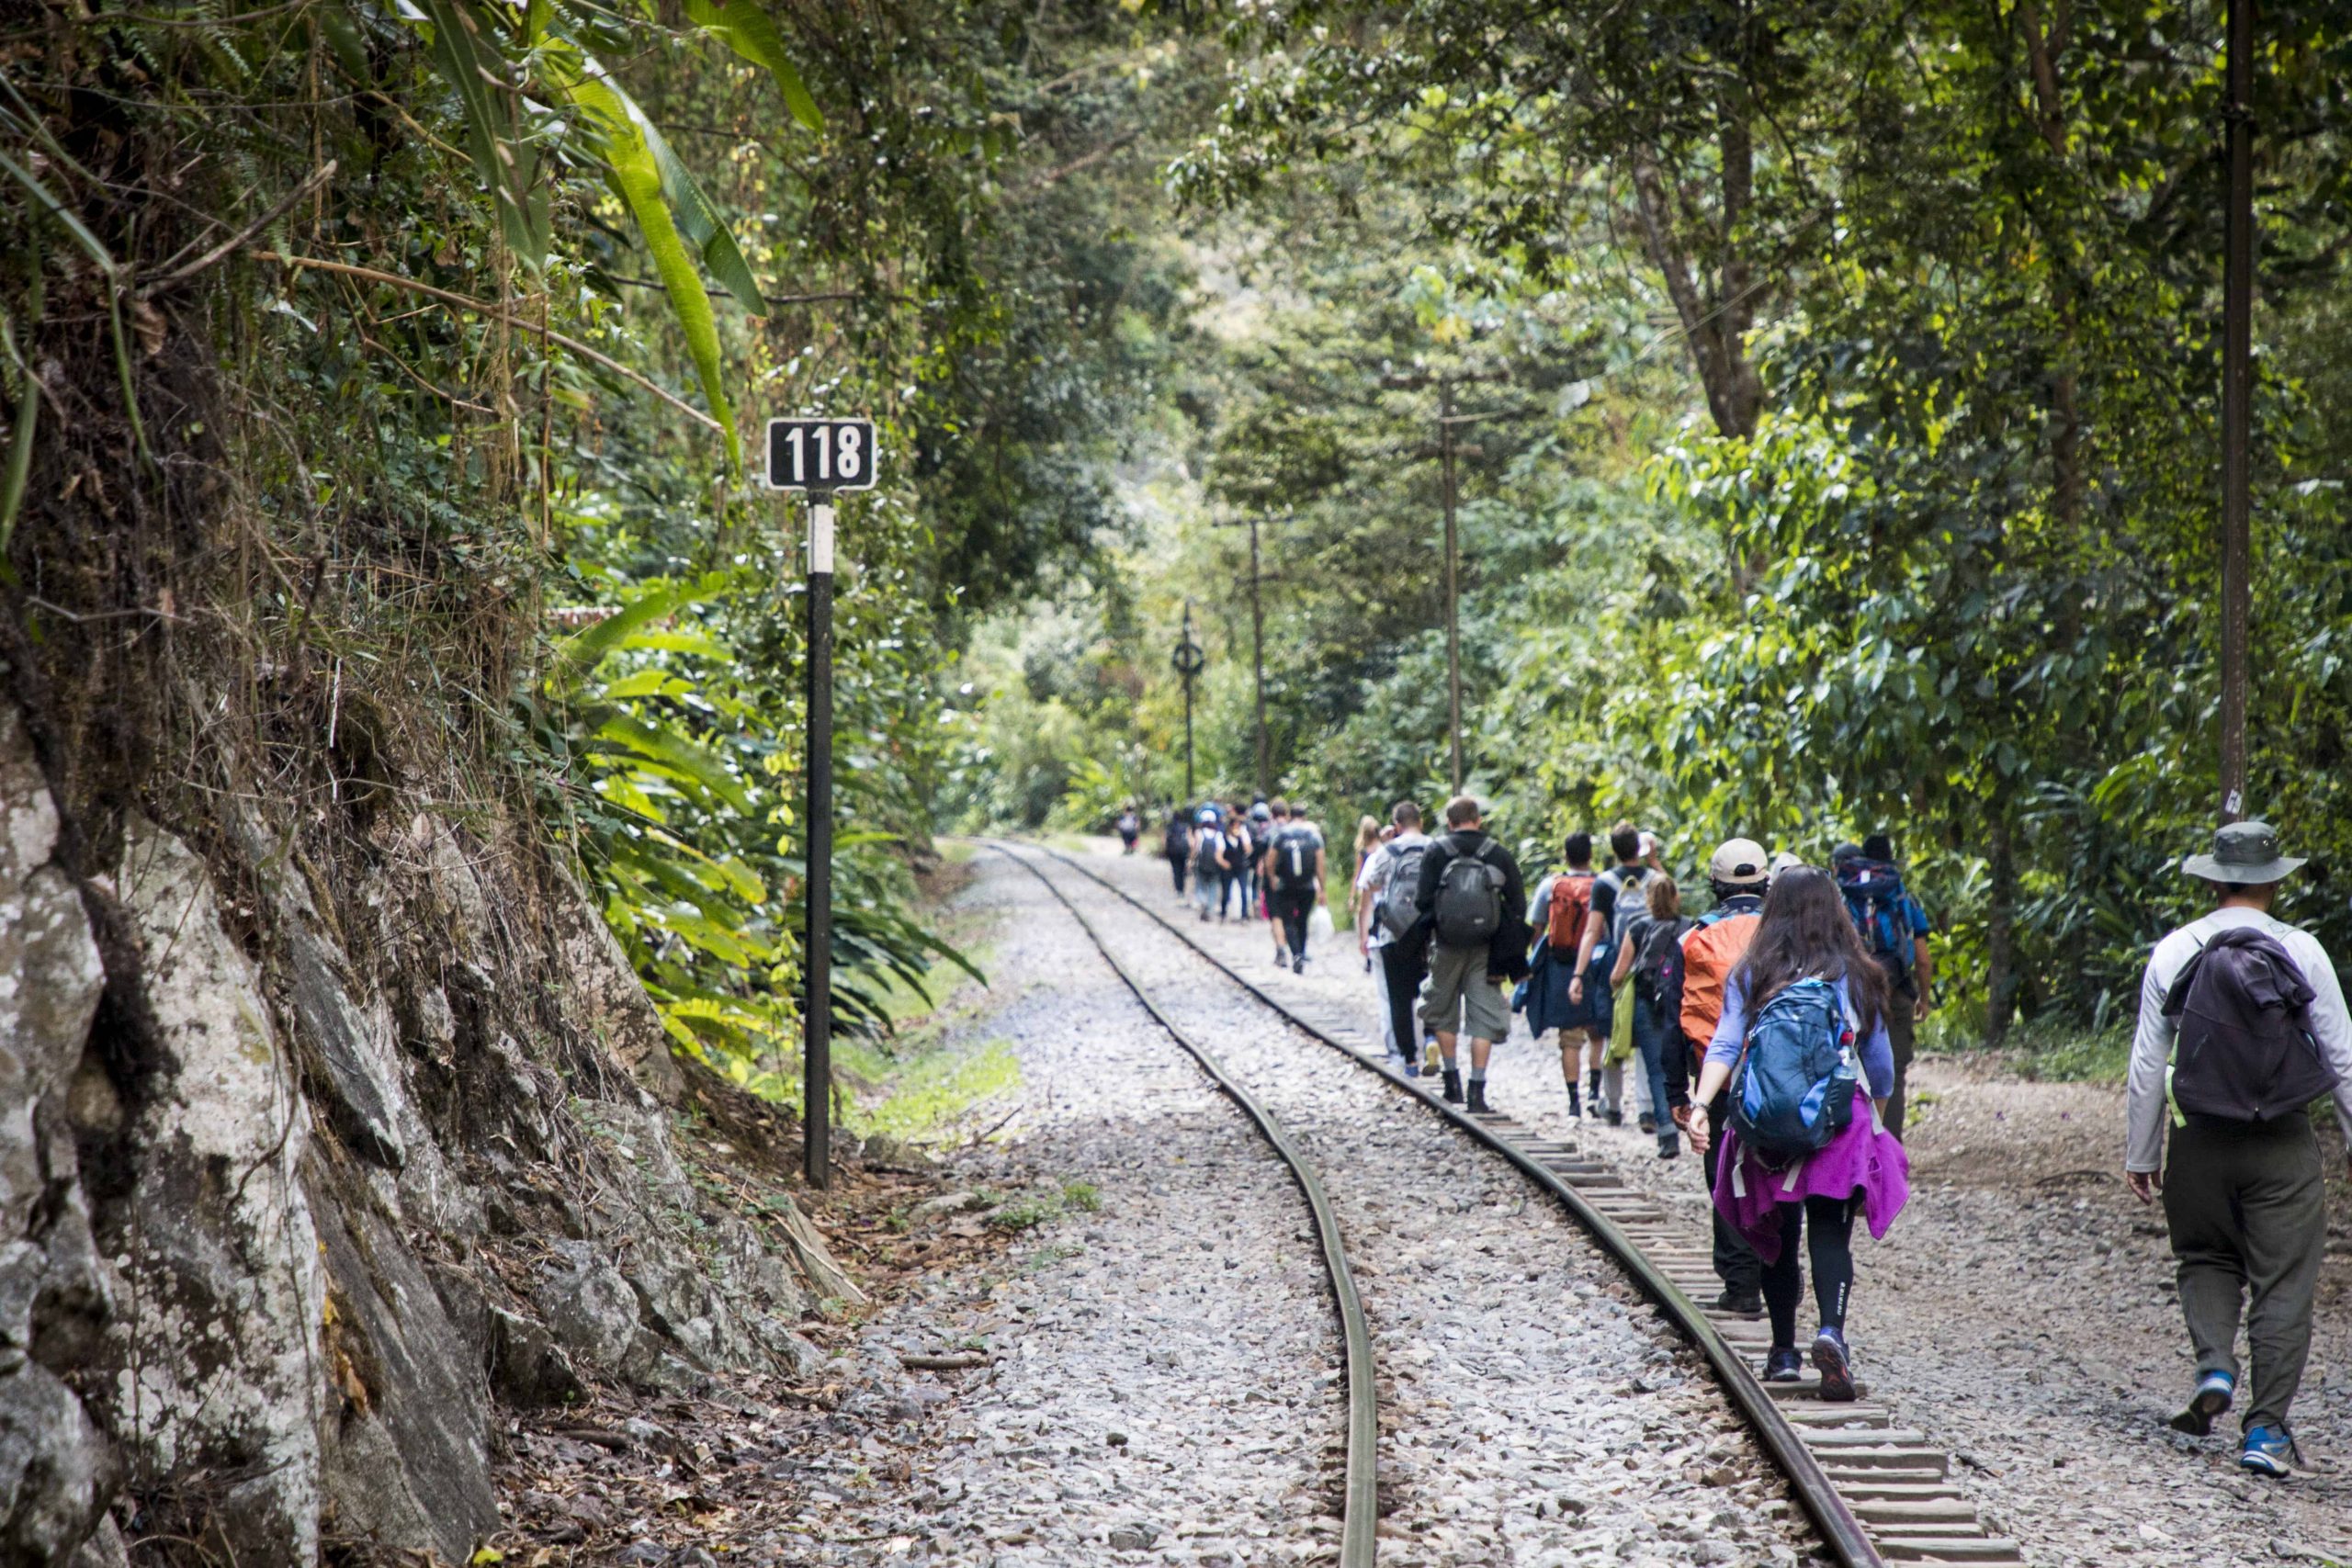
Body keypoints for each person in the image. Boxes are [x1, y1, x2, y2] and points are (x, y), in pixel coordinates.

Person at [2125, 819, 2352, 1477]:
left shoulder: (2175, 949)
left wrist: (2143, 1152)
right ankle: (2266, 1431)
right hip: (2283, 1140)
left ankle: (2215, 1367)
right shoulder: (2303, 950)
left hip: (2198, 1138)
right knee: (2284, 1282)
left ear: (2214, 878)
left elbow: (2148, 1060)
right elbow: (2341, 1055)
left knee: (2204, 1255)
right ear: (2274, 881)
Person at [1688, 866, 1908, 1401]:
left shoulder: (1752, 971)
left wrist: (1700, 1105)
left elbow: (1725, 1044)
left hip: (1767, 1120)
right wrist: (1871, 1122)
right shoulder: (1858, 972)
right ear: (1833, 909)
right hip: (1836, 1121)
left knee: (1778, 1235)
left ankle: (1783, 1352)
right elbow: (1880, 1068)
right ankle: (1831, 1332)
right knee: (1830, 1229)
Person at [1677, 840, 1770, 1316]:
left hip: (1716, 1075)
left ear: (1715, 885)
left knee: (1725, 1173)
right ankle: (1779, 1282)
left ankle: (1740, 1285)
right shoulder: (1787, 935)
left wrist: (1681, 1092)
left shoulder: (1694, 937)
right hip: (1780, 1075)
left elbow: (1674, 1016)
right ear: (1766, 883)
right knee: (1776, 1174)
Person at [1414, 796, 1531, 1112]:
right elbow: (1518, 906)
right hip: (1487, 948)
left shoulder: (1436, 851)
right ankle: (1477, 1091)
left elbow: (1422, 901)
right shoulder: (1498, 853)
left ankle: (1452, 1084)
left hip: (1446, 944)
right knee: (1484, 1017)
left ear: (1449, 822)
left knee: (1441, 1010)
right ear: (1478, 820)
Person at [1831, 834, 1934, 1138]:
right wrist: (1923, 999)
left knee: (1852, 1067)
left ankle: (1854, 1147)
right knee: (1894, 1073)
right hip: (1898, 991)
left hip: (1856, 992)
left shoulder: (1845, 895)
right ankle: (1888, 1146)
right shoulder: (1905, 898)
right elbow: (1924, 958)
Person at [1572, 822, 1654, 1127]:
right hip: (1651, 968)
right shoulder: (1656, 879)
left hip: (1616, 967)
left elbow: (1592, 931)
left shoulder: (1604, 883)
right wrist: (1655, 861)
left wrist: (1578, 975)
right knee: (1647, 1038)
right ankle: (1646, 1107)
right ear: (1639, 847)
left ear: (1613, 850)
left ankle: (1614, 1104)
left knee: (1612, 1034)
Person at [1609, 873, 1689, 1159]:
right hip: (1683, 1005)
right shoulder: (1689, 927)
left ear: (1648, 899)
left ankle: (1667, 1134)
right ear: (1676, 897)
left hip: (1649, 1006)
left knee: (1657, 1070)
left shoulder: (1637, 926)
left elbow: (1617, 974)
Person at [1526, 833, 1601, 1117]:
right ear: (1590, 856)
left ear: (1565, 855)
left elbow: (1537, 927)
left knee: (1570, 1037)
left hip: (1562, 965)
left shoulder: (1551, 885)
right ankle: (1595, 1093)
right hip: (1596, 963)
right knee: (1596, 1032)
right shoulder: (1602, 885)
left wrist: (1536, 959)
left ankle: (1574, 1103)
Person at [1357, 801, 1433, 1075]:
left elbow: (1371, 884)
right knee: (1431, 991)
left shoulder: (1386, 851)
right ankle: (1432, 1039)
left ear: (1397, 825)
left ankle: (1410, 1061)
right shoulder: (1434, 847)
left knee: (1399, 999)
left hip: (1393, 934)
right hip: (1429, 935)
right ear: (1420, 822)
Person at [1264, 796, 1328, 973]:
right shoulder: (1314, 836)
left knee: (1288, 920)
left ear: (1291, 815)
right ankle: (1302, 951)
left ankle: (1296, 954)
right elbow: (1320, 864)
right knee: (1303, 920)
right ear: (1305, 816)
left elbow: (1270, 860)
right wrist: (1322, 888)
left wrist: (1272, 878)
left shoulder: (1282, 834)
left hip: (1286, 885)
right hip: (1307, 886)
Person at [1189, 808, 1227, 921]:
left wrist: (1190, 861)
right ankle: (1210, 909)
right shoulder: (1219, 835)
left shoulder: (1199, 833)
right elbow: (1221, 850)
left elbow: (1195, 849)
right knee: (1213, 888)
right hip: (1214, 866)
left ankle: (1203, 902)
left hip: (1201, 864)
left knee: (1200, 886)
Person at [1222, 804, 1256, 921]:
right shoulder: (1224, 835)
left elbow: (1249, 849)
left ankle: (1244, 914)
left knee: (1243, 890)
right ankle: (1223, 912)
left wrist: (1242, 836)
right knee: (1226, 890)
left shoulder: (1244, 833)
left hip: (1241, 865)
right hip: (1229, 865)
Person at [1162, 807, 1192, 897]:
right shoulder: (1186, 826)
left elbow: (1164, 839)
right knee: (1183, 869)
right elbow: (1190, 840)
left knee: (1176, 870)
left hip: (1173, 851)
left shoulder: (1170, 826)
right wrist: (1191, 853)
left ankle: (1178, 889)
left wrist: (1165, 850)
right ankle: (1182, 888)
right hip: (1183, 851)